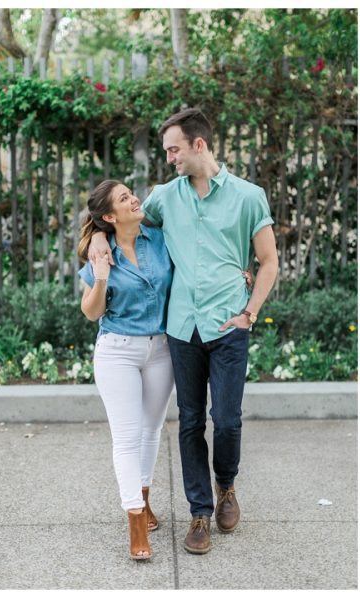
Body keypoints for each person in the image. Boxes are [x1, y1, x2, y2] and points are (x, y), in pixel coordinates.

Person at [88, 108, 278, 555]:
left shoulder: (249, 197)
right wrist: (97, 238)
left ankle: (225, 486)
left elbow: (268, 261)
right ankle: (199, 513)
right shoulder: (162, 197)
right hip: (180, 328)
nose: (169, 158)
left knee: (227, 420)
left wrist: (250, 311)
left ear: (199, 145)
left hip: (229, 323)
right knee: (190, 421)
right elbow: (121, 226)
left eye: (174, 149)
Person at [78, 180, 174, 561]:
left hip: (162, 348)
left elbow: (165, 193)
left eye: (130, 193)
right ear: (108, 217)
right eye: (123, 198)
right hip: (117, 351)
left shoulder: (159, 239)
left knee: (152, 430)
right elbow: (91, 312)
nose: (133, 199)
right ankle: (135, 518)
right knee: (127, 437)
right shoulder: (101, 253)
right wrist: (101, 274)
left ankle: (145, 499)